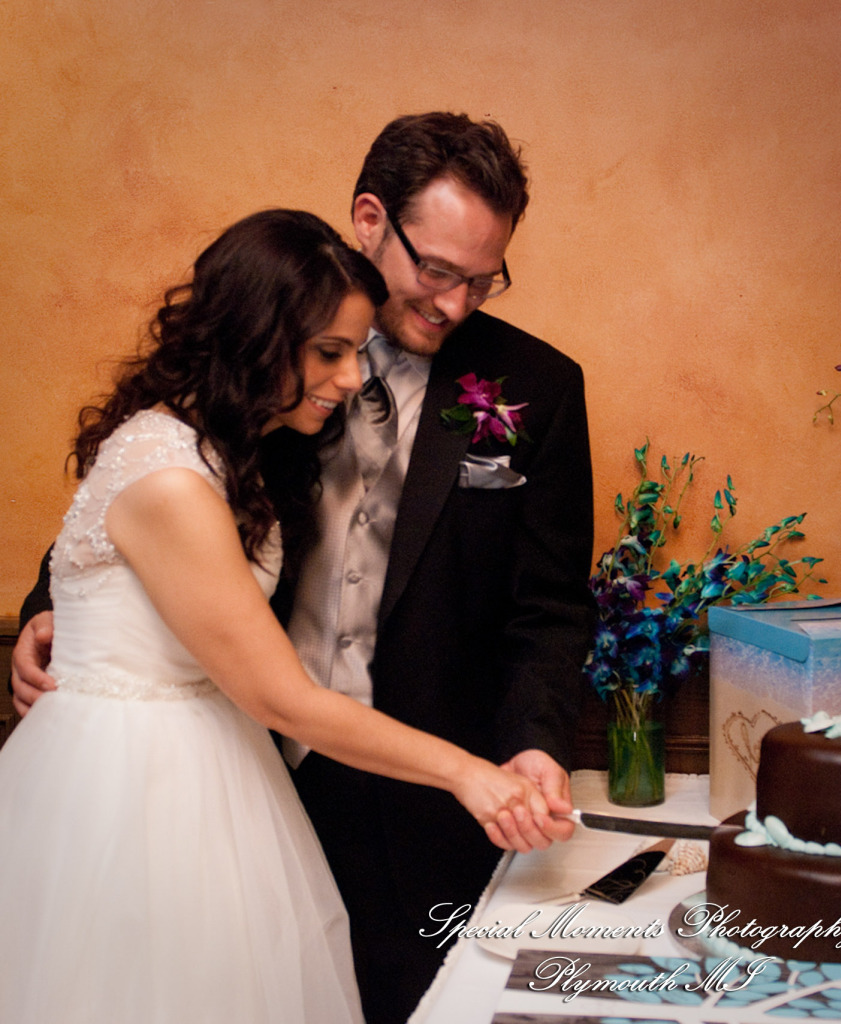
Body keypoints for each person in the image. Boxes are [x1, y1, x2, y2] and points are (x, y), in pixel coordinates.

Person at [14, 113, 595, 1024]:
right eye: (436, 270)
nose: (454, 304)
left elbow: (549, 608)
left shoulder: (537, 387)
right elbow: (128, 515)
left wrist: (532, 742)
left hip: (424, 800)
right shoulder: (263, 361)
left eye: (482, 280)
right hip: (246, 776)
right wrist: (55, 617)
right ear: (370, 219)